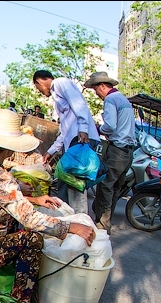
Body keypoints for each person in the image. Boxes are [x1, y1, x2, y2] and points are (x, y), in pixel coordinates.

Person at [0, 109, 95, 303]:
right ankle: (20, 302)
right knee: (32, 239)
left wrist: (35, 200)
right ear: (6, 147)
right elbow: (30, 219)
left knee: (18, 225)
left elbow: (1, 201)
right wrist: (71, 227)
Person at [32, 69, 100, 214]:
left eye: (38, 88)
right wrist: (50, 151)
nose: (40, 91)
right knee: (62, 181)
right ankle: (66, 218)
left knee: (75, 185)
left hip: (81, 140)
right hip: (72, 142)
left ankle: (82, 220)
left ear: (39, 81)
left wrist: (83, 127)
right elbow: (64, 131)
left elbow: (79, 104)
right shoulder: (56, 96)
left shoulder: (60, 83)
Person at [84, 71, 136, 231]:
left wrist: (98, 128)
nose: (97, 94)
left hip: (117, 151)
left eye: (95, 90)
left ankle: (102, 225)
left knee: (106, 186)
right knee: (115, 188)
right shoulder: (123, 99)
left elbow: (110, 126)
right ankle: (104, 221)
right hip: (128, 152)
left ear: (102, 86)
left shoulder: (111, 100)